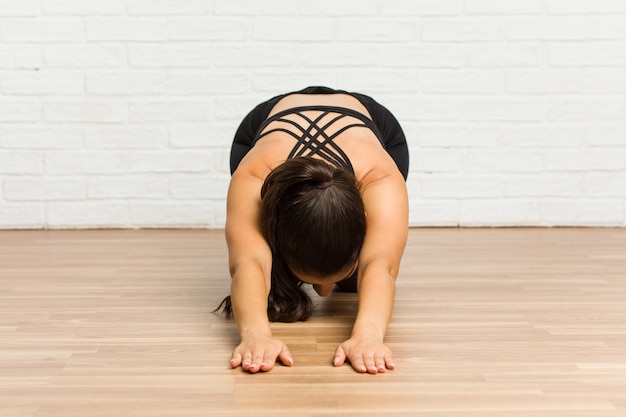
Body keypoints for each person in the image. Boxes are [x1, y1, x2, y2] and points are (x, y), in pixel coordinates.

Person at [216, 86, 409, 374]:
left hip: (373, 127)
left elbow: (381, 264)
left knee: (357, 281)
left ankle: (340, 268)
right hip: (266, 127)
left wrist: (369, 336)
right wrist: (255, 335)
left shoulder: (380, 176)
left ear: (365, 220)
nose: (322, 294)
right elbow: (249, 261)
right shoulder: (254, 173)